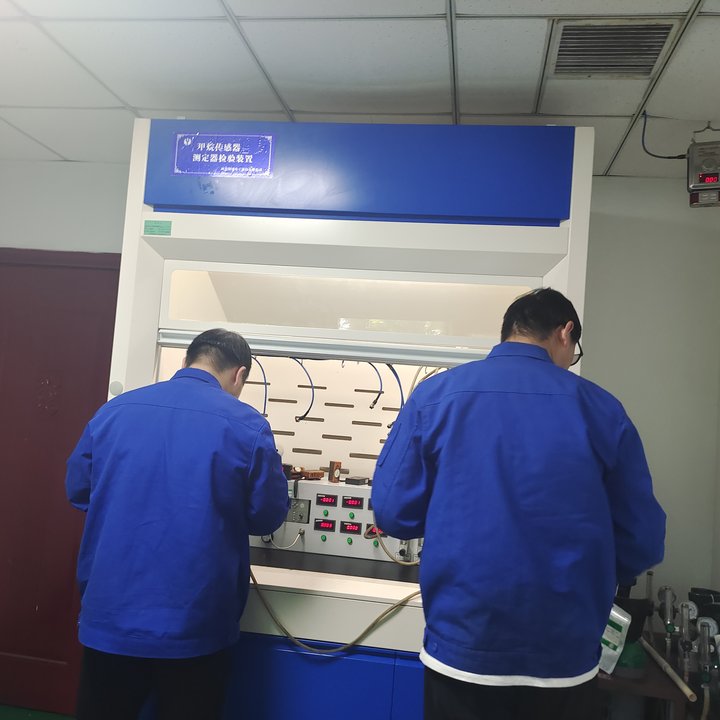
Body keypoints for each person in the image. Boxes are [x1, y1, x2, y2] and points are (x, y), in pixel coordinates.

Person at [371, 288, 666, 720]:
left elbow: (393, 512)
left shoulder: (435, 397)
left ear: (509, 331)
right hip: (563, 654)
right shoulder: (602, 409)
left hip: (464, 646)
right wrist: (598, 572)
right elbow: (642, 540)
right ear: (565, 332)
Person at [66, 328, 290, 720]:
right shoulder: (248, 426)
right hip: (195, 621)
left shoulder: (114, 411)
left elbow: (79, 490)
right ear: (239, 375)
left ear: (185, 361)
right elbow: (266, 516)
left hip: (112, 612)